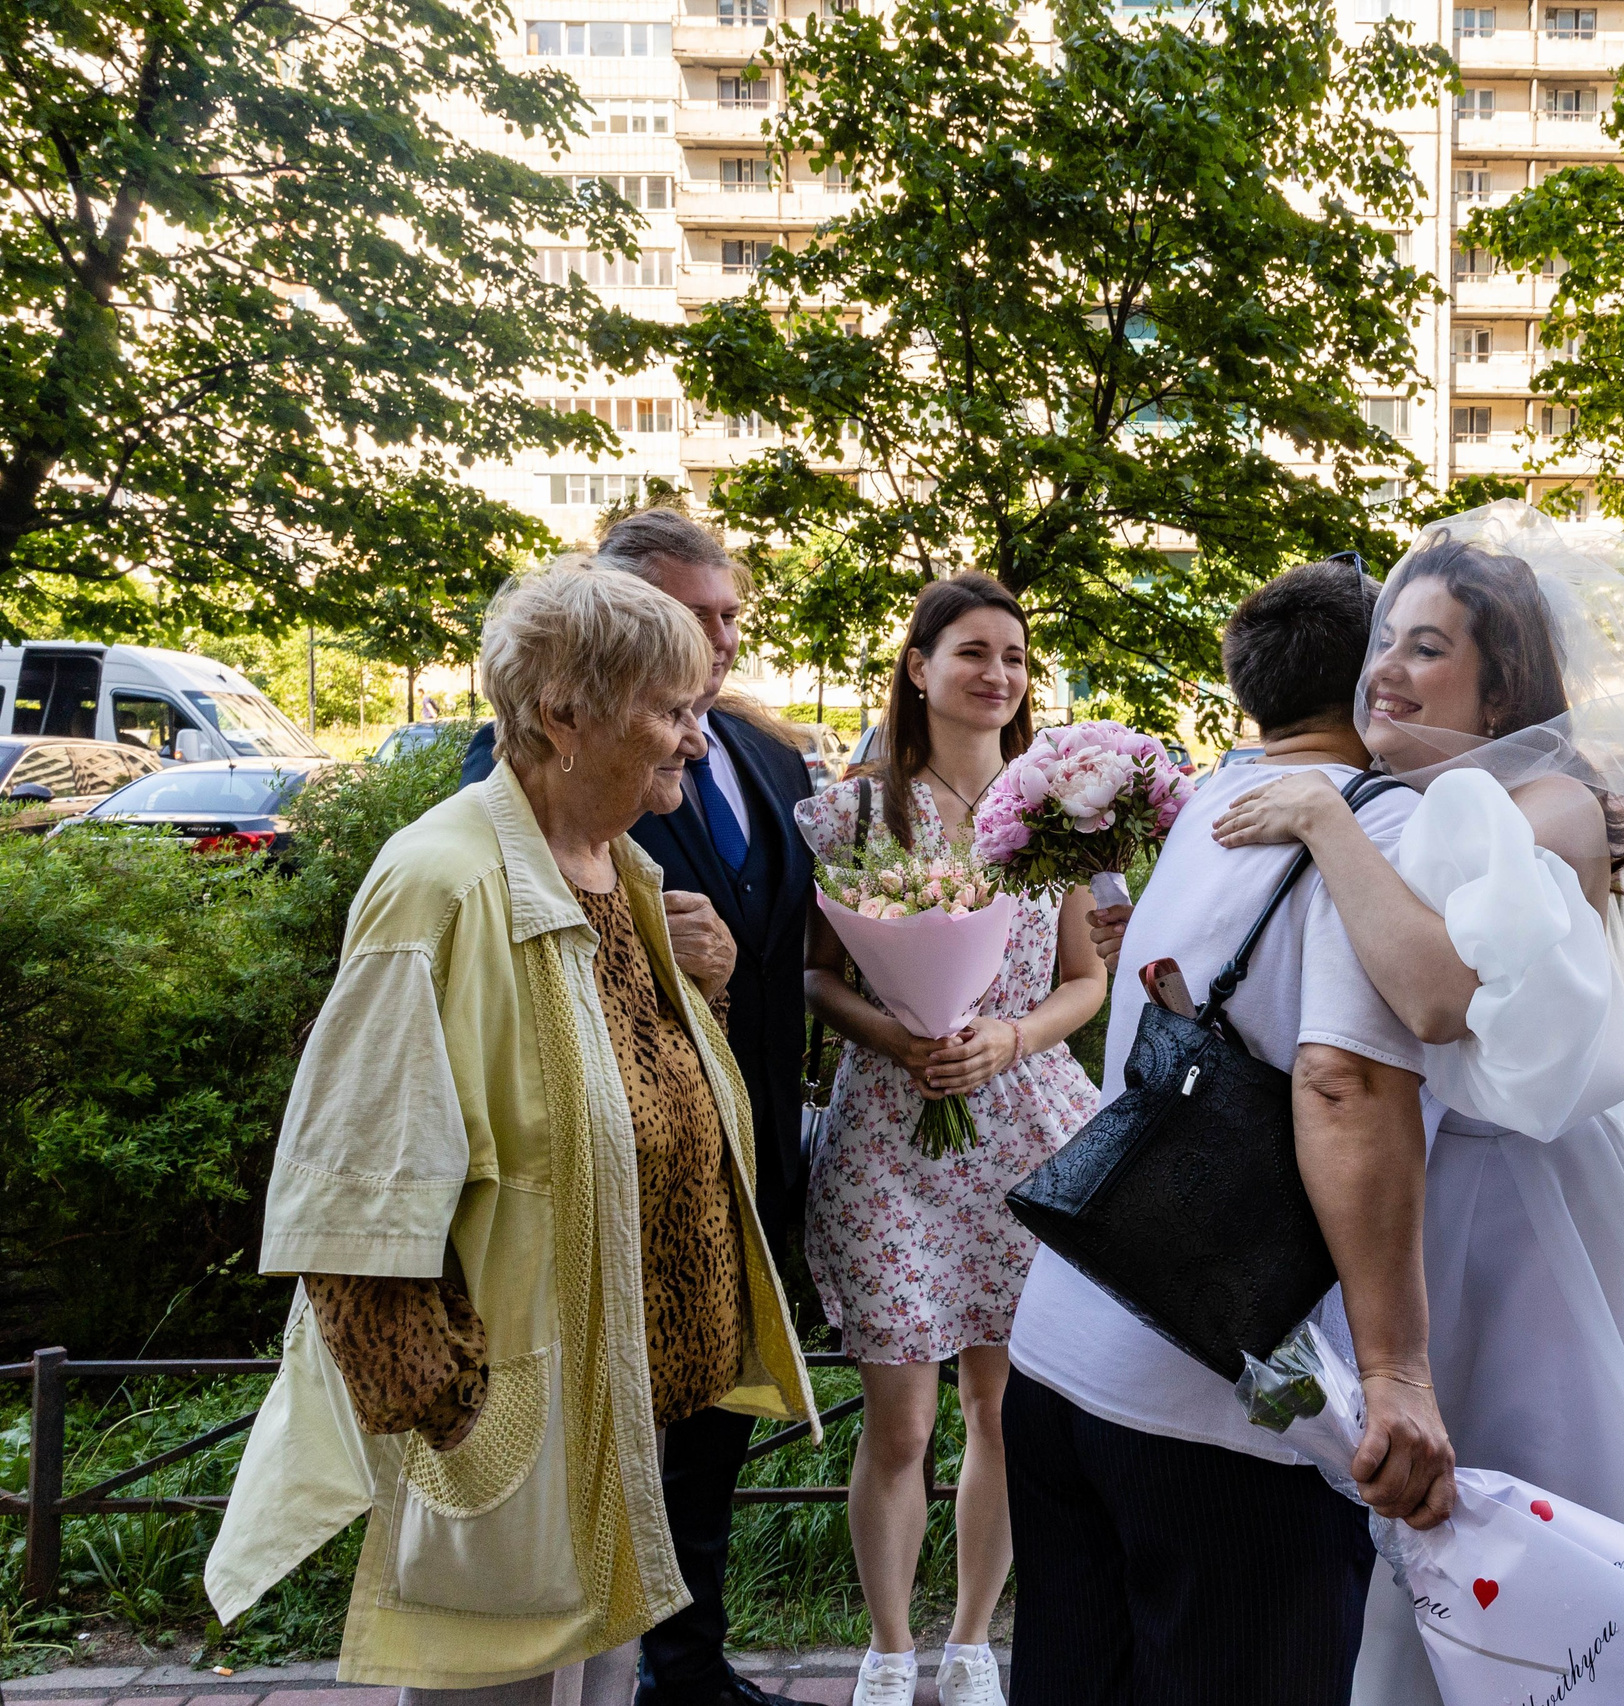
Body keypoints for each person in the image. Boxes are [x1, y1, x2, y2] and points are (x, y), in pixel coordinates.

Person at [205, 564, 819, 1702]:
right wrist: (448, 1404)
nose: (695, 738)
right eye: (671, 708)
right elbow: (352, 1184)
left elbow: (627, 1090)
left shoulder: (615, 864)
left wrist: (709, 997)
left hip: (620, 1400)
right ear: (563, 713)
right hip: (516, 1417)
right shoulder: (441, 880)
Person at [1197, 512, 1624, 1705]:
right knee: (1420, 1562)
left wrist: (1323, 819)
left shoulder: (1550, 802)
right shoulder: (1392, 794)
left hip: (1532, 1221)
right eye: (1384, 639)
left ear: (1500, 696)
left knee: (1554, 1541)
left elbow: (1438, 994)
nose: (1386, 667)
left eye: (1428, 648)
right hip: (1421, 1199)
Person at [1004, 558, 1457, 1706]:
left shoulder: (1216, 799)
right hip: (1220, 1389)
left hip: (1066, 1338)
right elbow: (1343, 1084)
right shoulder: (1374, 826)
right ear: (1374, 678)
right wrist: (1396, 1364)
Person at [462, 507, 815, 1706]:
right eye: (692, 619)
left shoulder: (768, 756)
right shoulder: (509, 783)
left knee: (706, 1425)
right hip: (590, 1193)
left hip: (740, 1140)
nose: (719, 644)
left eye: (728, 617)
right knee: (580, 1485)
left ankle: (687, 1662)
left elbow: (794, 942)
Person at [797, 573, 1109, 1706]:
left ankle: (973, 1637)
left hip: (1028, 1131)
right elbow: (815, 975)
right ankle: (888, 1645)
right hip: (892, 1134)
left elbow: (1087, 980)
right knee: (901, 1416)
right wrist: (904, 1029)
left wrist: (1008, 1038)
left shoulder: (1054, 819)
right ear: (918, 668)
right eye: (973, 651)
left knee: (1003, 1409)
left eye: (1016, 657)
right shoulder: (848, 813)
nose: (998, 674)